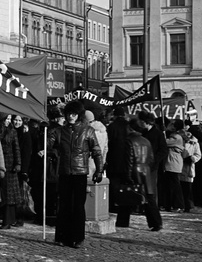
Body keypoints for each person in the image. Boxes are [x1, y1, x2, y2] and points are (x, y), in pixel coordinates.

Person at [52, 100, 104, 248]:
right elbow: (49, 144)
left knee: (78, 206)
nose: (71, 117)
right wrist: (46, 132)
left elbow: (96, 151)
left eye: (74, 114)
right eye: (69, 114)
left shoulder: (88, 130)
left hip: (80, 172)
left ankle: (77, 237)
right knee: (64, 205)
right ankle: (62, 236)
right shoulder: (60, 131)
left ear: (79, 115)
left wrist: (99, 170)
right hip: (65, 172)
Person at [116, 117, 162, 231]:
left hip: (134, 171)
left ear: (129, 128)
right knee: (148, 198)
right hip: (145, 171)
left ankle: (122, 221)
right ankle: (156, 222)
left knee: (126, 194)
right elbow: (151, 159)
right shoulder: (146, 141)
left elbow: (129, 160)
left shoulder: (129, 141)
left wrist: (127, 175)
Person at [0, 114, 22, 229]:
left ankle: (8, 221)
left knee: (9, 194)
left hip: (9, 164)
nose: (8, 121)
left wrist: (18, 163)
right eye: (6, 119)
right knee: (0, 192)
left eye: (9, 119)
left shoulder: (12, 132)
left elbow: (16, 148)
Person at [105, 106, 130, 212]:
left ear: (114, 115)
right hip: (127, 158)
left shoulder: (111, 126)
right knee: (124, 183)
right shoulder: (128, 126)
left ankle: (113, 204)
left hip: (113, 158)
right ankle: (124, 204)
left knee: (114, 183)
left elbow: (108, 142)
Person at [161, 120, 186, 212]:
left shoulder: (176, 137)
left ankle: (178, 205)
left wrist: (164, 131)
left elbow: (165, 142)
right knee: (170, 185)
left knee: (175, 185)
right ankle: (169, 204)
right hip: (171, 162)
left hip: (173, 162)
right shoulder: (175, 136)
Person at [178, 122, 201, 213]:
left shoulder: (195, 143)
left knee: (187, 188)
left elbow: (198, 155)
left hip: (188, 168)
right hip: (179, 166)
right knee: (179, 187)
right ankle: (180, 204)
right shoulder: (180, 140)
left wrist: (192, 158)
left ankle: (188, 205)